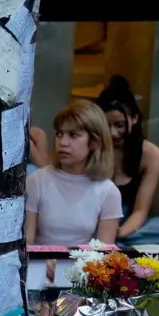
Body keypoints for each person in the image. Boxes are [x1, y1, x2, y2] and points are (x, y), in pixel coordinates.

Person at [25, 100, 122, 246]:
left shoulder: (108, 192)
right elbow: (26, 244)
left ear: (94, 142)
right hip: (39, 265)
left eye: (73, 135)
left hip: (83, 266)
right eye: (59, 134)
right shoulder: (37, 181)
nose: (63, 142)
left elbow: (104, 253)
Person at [97, 76, 159, 240]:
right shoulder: (90, 147)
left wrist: (118, 233)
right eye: (106, 126)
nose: (113, 133)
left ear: (134, 118)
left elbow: (140, 211)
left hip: (128, 227)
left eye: (119, 125)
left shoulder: (151, 154)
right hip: (91, 223)